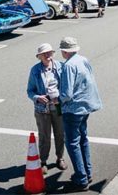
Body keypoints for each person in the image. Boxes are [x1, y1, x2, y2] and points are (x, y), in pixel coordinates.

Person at [58, 37, 102, 193]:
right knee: (83, 139)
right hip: (87, 106)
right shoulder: (83, 59)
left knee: (72, 143)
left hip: (73, 109)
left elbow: (66, 93)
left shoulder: (68, 66)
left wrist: (56, 100)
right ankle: (87, 173)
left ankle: (81, 179)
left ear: (64, 51)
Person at [26, 43, 67, 175]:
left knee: (60, 133)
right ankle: (43, 161)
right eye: (45, 53)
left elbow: (67, 85)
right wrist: (37, 97)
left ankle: (60, 158)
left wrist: (61, 97)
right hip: (42, 109)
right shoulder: (35, 70)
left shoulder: (60, 66)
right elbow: (30, 91)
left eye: (50, 52)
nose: (48, 55)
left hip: (58, 106)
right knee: (44, 136)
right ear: (39, 57)